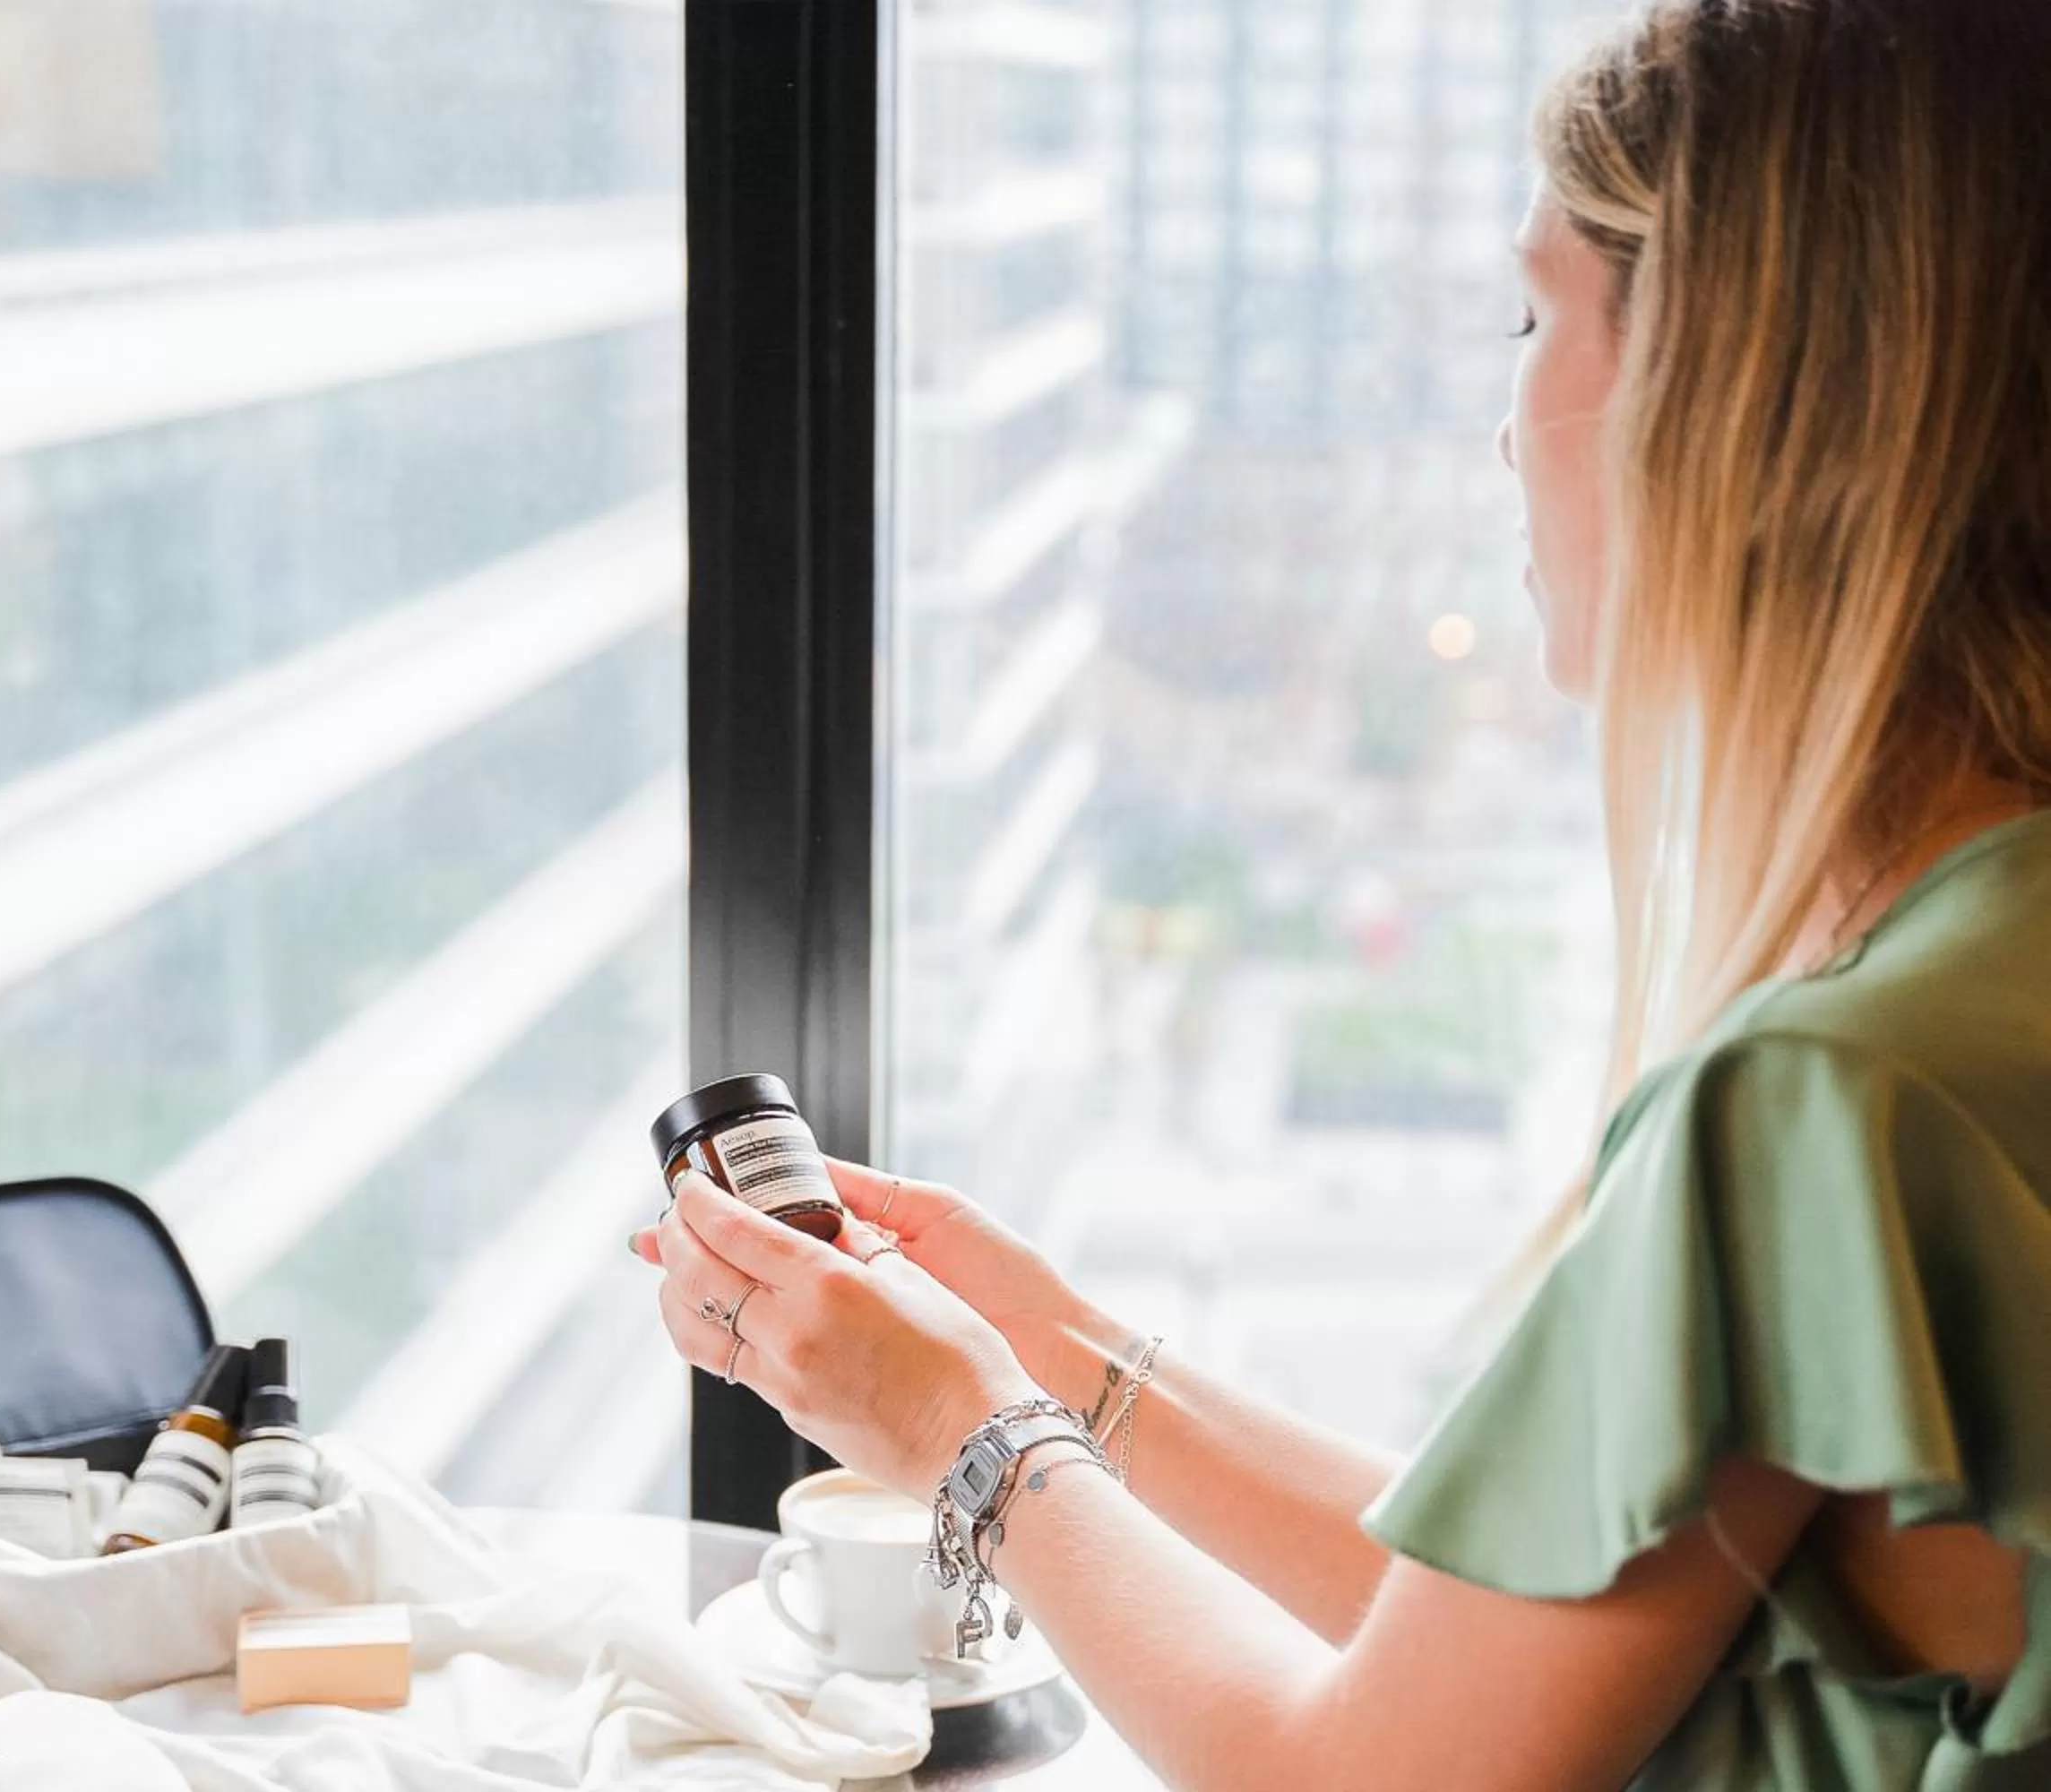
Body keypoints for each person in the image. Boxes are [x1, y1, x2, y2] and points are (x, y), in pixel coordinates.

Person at [634, 2, 2051, 1785]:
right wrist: (1045, 1344)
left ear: (1743, 402)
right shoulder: (1982, 964)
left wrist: (958, 1429)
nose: (1507, 429)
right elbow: (1492, 1648)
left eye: (1535, 319)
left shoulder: (1821, 1101)